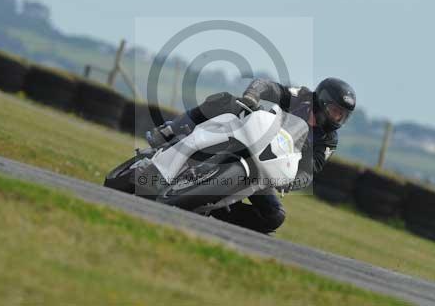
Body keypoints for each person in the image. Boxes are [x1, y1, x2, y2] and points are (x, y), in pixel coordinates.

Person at [146, 77, 356, 234]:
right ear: (322, 101)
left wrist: (293, 181)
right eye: (335, 111)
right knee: (226, 100)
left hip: (267, 170)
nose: (337, 118)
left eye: (342, 115)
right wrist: (252, 96)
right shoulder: (300, 97)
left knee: (274, 217)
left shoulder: (328, 140)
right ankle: (171, 130)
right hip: (249, 136)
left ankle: (212, 212)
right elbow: (267, 86)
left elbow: (310, 169)